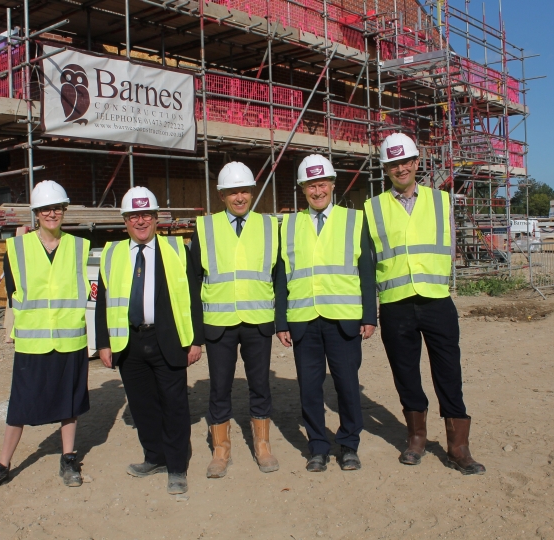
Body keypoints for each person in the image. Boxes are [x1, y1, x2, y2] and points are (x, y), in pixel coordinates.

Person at [366, 133, 485, 475]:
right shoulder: (372, 208)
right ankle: (416, 437)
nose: (400, 168)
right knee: (406, 375)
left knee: (449, 374)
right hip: (395, 304)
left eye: (406, 161)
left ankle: (458, 447)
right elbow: (369, 259)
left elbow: (450, 248)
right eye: (393, 163)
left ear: (417, 163)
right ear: (386, 168)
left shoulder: (442, 201)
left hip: (436, 300)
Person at [0, 180, 91, 494]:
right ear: (36, 214)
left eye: (57, 208)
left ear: (63, 211)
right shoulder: (16, 248)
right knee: (20, 406)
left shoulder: (79, 246)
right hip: (32, 341)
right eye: (45, 209)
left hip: (69, 338)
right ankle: (3, 464)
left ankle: (68, 458)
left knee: (69, 403)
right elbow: (14, 295)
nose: (52, 213)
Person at [95, 186, 203, 495]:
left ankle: (177, 466)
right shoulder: (111, 253)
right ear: (125, 221)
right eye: (133, 216)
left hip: (167, 339)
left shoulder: (177, 249)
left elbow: (193, 297)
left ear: (156, 218)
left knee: (175, 405)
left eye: (146, 215)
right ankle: (154, 457)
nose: (140, 221)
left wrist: (195, 339)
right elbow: (104, 300)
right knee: (142, 406)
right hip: (128, 342)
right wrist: (104, 343)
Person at [274, 154, 377, 472]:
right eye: (310, 185)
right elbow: (281, 275)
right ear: (302, 189)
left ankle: (349, 445)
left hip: (343, 319)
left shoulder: (354, 220)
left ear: (333, 185)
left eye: (322, 184)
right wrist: (281, 320)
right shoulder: (288, 224)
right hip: (303, 319)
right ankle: (317, 446)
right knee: (309, 389)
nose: (317, 191)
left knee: (347, 385)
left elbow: (366, 270)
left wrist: (369, 316)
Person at [189, 162, 279, 479]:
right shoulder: (205, 228)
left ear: (251, 192)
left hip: (257, 320)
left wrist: (280, 321)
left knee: (260, 386)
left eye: (244, 191)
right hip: (219, 322)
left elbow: (278, 276)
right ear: (222, 195)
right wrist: (195, 331)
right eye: (232, 192)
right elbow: (193, 279)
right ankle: (221, 449)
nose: (239, 197)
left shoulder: (270, 226)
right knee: (219, 388)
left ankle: (263, 444)